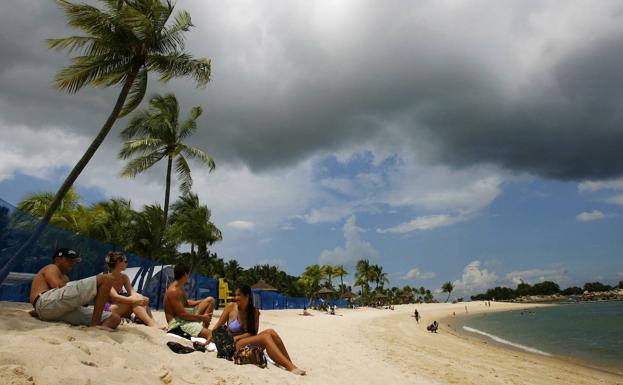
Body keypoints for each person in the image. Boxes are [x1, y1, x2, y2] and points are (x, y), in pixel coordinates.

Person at [211, 285, 306, 376]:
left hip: (243, 341)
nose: (236, 297)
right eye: (235, 295)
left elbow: (253, 334)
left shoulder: (254, 312)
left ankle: (289, 363)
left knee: (271, 332)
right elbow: (217, 327)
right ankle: (290, 367)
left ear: (247, 296)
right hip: (233, 344)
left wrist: (238, 337)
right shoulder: (231, 307)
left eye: (238, 295)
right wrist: (207, 342)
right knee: (265, 337)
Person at [29, 248, 120, 331]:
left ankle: (97, 331)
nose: (72, 263)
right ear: (57, 259)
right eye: (68, 260)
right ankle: (94, 325)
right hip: (44, 303)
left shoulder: (65, 278)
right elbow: (57, 285)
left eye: (74, 261)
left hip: (54, 311)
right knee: (107, 279)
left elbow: (62, 296)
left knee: (114, 318)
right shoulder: (52, 267)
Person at [103, 251, 163, 329]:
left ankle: (153, 322)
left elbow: (132, 292)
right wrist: (135, 300)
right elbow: (115, 297)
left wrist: (142, 298)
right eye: (125, 261)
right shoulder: (107, 278)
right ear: (118, 263)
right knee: (134, 302)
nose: (127, 263)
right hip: (108, 309)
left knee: (141, 301)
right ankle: (152, 323)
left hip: (119, 307)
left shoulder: (124, 277)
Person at [164, 264, 214, 339]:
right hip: (177, 323)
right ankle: (204, 332)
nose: (189, 276)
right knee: (212, 335)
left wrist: (201, 301)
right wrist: (202, 318)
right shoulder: (173, 291)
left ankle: (203, 329)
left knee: (210, 300)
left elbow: (186, 303)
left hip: (183, 317)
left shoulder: (180, 286)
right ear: (185, 274)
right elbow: (182, 315)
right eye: (188, 274)